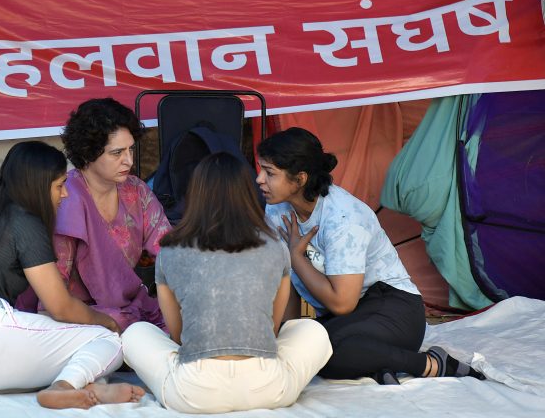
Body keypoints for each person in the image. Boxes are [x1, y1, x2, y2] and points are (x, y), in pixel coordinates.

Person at [256, 127, 486, 384]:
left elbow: (343, 302)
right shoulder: (278, 210)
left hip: (393, 309)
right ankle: (377, 363)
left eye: (269, 173)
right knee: (301, 349)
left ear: (299, 179)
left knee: (325, 354)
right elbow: (286, 281)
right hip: (348, 319)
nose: (259, 180)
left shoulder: (343, 218)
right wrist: (281, 336)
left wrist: (297, 257)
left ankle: (431, 363)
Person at [0, 141, 145, 409]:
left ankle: (87, 388)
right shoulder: (25, 220)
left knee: (76, 350)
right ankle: (63, 387)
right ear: (37, 185)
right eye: (59, 186)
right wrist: (105, 321)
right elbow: (60, 306)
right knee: (107, 341)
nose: (65, 194)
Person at [122, 152, 333, 414]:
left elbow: (177, 336)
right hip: (268, 387)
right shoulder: (276, 246)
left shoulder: (170, 249)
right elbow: (273, 328)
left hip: (194, 393)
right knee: (313, 332)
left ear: (196, 193)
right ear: (246, 193)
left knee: (135, 334)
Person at [17, 98, 171, 332]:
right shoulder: (67, 197)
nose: (128, 160)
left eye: (130, 149)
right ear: (89, 153)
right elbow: (55, 298)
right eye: (117, 153)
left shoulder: (136, 190)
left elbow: (171, 251)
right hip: (75, 314)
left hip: (128, 308)